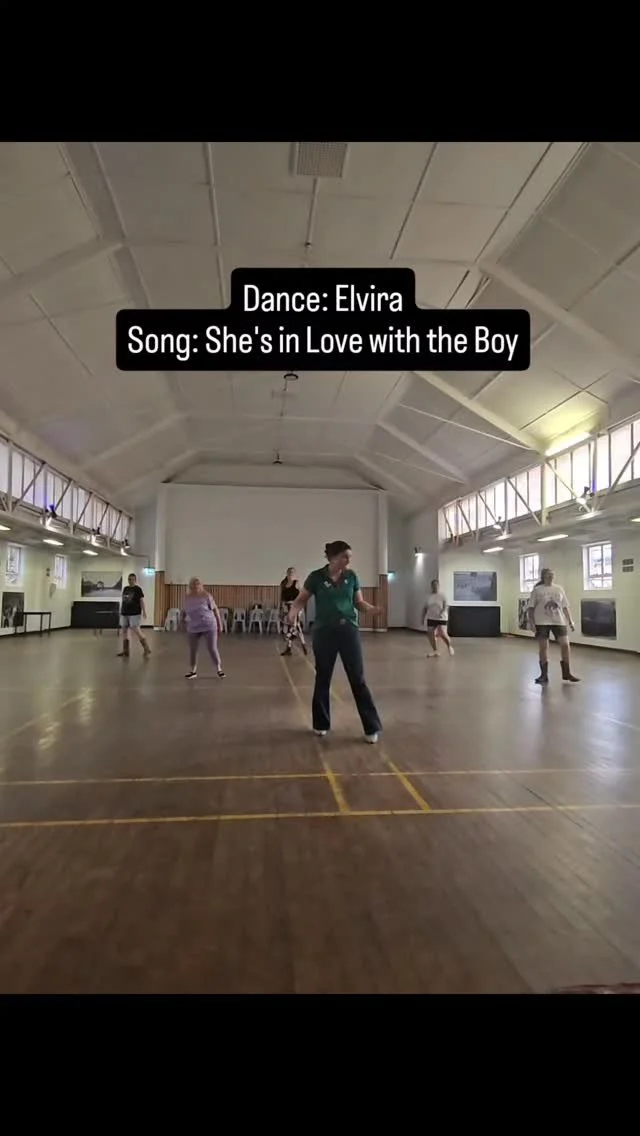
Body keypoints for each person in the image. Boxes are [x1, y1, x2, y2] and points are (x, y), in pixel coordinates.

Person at [285, 540, 382, 743]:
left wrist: (371, 609)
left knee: (357, 678)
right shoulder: (316, 577)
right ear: (333, 557)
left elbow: (358, 602)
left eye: (349, 557)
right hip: (324, 632)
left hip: (348, 631)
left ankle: (371, 727)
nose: (348, 561)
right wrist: (293, 613)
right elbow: (301, 599)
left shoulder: (351, 576)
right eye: (345, 557)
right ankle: (321, 723)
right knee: (323, 677)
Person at [526, 567, 580, 684]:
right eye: (549, 575)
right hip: (542, 622)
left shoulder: (559, 589)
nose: (551, 577)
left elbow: (565, 606)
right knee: (543, 647)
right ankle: (544, 675)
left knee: (565, 645)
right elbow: (530, 608)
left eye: (552, 575)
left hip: (558, 621)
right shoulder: (537, 590)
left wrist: (570, 621)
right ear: (544, 576)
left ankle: (567, 672)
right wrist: (531, 622)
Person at [181, 577, 225, 679]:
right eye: (193, 584)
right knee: (193, 649)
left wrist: (220, 624)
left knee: (212, 648)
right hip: (193, 626)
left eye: (198, 584)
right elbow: (184, 610)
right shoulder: (188, 597)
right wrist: (181, 621)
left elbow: (215, 610)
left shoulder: (206, 596)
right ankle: (193, 671)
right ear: (190, 586)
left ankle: (219, 669)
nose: (196, 586)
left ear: (201, 585)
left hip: (209, 625)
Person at [117, 572, 151, 658]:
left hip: (135, 613)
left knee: (136, 629)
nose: (131, 581)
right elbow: (124, 600)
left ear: (135, 580)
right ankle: (126, 651)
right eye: (129, 579)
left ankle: (146, 648)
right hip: (125, 612)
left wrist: (144, 611)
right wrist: (121, 610)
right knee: (124, 630)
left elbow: (141, 601)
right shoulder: (125, 588)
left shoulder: (138, 589)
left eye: (132, 579)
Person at [422, 578, 454, 658]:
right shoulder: (428, 596)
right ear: (431, 586)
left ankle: (449, 646)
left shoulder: (442, 596)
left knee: (442, 633)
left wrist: (441, 612)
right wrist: (423, 617)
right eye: (433, 585)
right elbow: (425, 608)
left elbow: (445, 606)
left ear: (438, 586)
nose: (435, 586)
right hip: (431, 617)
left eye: (436, 585)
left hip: (441, 617)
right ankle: (435, 650)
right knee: (430, 633)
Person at [279, 566, 303, 656]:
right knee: (288, 625)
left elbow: (302, 595)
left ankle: (293, 634)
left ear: (294, 574)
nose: (290, 574)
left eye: (292, 572)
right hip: (286, 606)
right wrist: (281, 607)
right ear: (287, 573)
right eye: (289, 572)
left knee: (293, 624)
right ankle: (288, 647)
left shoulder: (296, 583)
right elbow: (281, 597)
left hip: (295, 606)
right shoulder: (283, 583)